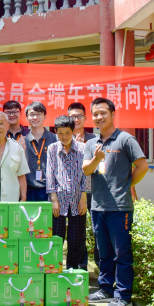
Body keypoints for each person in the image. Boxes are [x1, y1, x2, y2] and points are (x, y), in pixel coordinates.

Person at [83, 98, 148, 306]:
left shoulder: (125, 139)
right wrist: (96, 159)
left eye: (103, 113)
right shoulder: (92, 143)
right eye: (95, 114)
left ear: (112, 114)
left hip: (120, 208)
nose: (99, 117)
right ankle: (106, 289)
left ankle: (123, 295)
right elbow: (86, 170)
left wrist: (127, 184)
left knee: (121, 253)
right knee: (104, 252)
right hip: (98, 206)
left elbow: (142, 166)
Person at [46, 115, 90, 270]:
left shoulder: (83, 149)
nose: (64, 136)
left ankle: (73, 270)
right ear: (56, 132)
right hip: (59, 200)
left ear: (73, 131)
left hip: (77, 200)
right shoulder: (52, 149)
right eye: (60, 133)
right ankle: (55, 269)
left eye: (67, 133)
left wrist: (83, 198)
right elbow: (50, 174)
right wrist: (54, 200)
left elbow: (86, 175)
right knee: (56, 237)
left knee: (76, 238)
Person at [68, 102, 98, 269]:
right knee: (78, 232)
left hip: (94, 190)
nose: (76, 119)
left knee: (97, 230)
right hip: (73, 192)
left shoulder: (95, 139)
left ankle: (100, 266)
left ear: (86, 118)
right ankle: (81, 266)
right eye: (72, 116)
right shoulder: (64, 138)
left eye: (79, 116)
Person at [23, 101, 57, 202]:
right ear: (27, 118)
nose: (35, 117)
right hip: (29, 188)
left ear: (45, 116)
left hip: (50, 188)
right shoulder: (22, 141)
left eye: (38, 114)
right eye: (32, 114)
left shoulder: (55, 139)